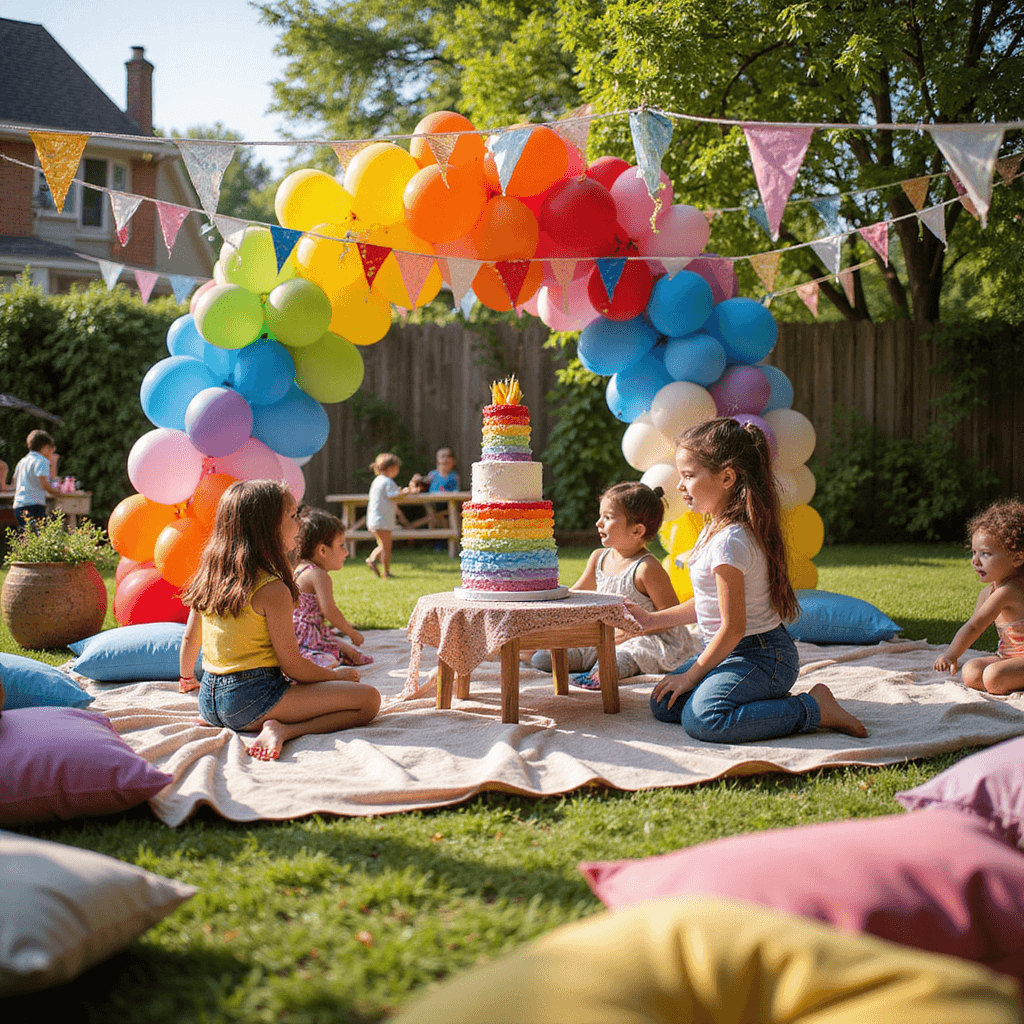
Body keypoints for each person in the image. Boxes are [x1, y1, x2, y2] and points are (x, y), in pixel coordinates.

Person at [630, 418, 867, 743]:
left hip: (764, 655)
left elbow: (733, 627)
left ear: (727, 476)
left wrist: (692, 675)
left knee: (703, 719)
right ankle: (759, 702)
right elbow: (708, 604)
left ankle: (814, 707)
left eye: (688, 475)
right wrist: (650, 620)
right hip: (729, 651)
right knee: (665, 703)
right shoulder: (713, 529)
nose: (680, 486)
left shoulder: (732, 542)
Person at [178, 479, 381, 761]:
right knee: (368, 700)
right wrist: (334, 677)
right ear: (267, 527)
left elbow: (189, 639)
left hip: (208, 704)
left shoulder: (209, 578)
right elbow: (294, 666)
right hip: (251, 701)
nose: (299, 524)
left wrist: (187, 679)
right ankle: (284, 729)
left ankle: (262, 721)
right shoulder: (272, 590)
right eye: (293, 516)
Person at [528, 481, 700, 689]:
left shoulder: (646, 568)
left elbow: (670, 617)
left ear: (637, 530)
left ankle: (600, 671)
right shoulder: (598, 558)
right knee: (542, 659)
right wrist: (549, 598)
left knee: (614, 663)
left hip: (646, 640)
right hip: (606, 637)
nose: (598, 523)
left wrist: (629, 634)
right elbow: (576, 593)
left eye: (608, 518)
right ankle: (593, 662)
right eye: (601, 516)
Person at [935, 498, 1024, 695]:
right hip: (1009, 657)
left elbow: (975, 627)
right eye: (974, 552)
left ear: (1017, 557)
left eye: (985, 554)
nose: (975, 560)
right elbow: (974, 625)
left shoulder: (1010, 590)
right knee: (971, 671)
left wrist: (951, 654)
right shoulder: (987, 593)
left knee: (993, 677)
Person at [293, 505, 374, 668]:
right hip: (305, 637)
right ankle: (313, 666)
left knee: (344, 649)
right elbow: (329, 610)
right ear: (323, 550)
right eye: (341, 545)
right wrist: (352, 633)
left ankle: (337, 651)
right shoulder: (319, 575)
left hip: (300, 632)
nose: (346, 552)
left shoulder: (300, 568)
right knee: (331, 660)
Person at [365, 453, 410, 578]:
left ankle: (372, 559)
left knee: (382, 545)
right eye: (396, 468)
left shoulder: (377, 481)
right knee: (386, 547)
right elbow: (393, 495)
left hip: (375, 519)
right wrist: (406, 492)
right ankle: (386, 572)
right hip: (382, 520)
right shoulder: (387, 482)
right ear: (391, 468)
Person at [11, 429, 61, 531]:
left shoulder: (23, 461)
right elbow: (44, 483)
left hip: (18, 505)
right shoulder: (42, 461)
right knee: (42, 535)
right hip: (34, 505)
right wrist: (55, 491)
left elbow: (14, 482)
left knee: (28, 535)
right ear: (46, 447)